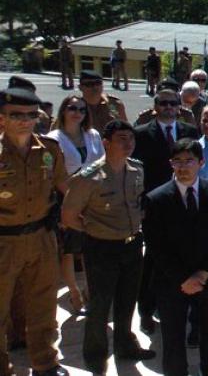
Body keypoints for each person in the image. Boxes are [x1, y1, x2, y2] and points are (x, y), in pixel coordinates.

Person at [61, 121, 155, 374]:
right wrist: (93, 229)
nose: (128, 144)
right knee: (100, 306)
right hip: (101, 248)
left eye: (131, 139)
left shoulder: (137, 169)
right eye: (122, 139)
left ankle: (125, 345)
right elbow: (69, 215)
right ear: (106, 143)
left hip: (132, 245)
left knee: (127, 301)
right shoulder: (89, 177)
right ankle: (95, 356)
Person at [143, 139, 208, 376]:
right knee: (173, 335)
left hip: (207, 277)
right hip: (171, 281)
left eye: (189, 160)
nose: (183, 167)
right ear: (171, 164)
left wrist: (202, 272)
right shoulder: (156, 199)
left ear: (201, 163)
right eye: (177, 161)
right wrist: (183, 278)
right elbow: (155, 245)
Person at [0, 86, 71, 376]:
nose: (26, 120)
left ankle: (45, 361)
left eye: (31, 114)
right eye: (17, 115)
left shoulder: (49, 150)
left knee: (43, 305)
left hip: (41, 238)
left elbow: (65, 188)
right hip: (3, 241)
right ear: (2, 117)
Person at [133, 88, 201, 333]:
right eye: (163, 103)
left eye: (173, 103)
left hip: (186, 206)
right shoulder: (141, 134)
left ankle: (186, 312)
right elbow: (137, 174)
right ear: (155, 106)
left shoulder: (190, 133)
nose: (169, 107)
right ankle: (146, 312)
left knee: (185, 258)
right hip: (155, 208)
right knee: (152, 261)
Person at [47, 95, 105, 314]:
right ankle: (73, 292)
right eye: (72, 108)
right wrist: (74, 197)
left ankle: (90, 288)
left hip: (92, 197)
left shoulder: (93, 135)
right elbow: (53, 174)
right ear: (63, 111)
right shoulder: (53, 138)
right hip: (66, 198)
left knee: (91, 246)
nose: (77, 112)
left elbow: (102, 163)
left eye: (82, 109)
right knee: (70, 249)